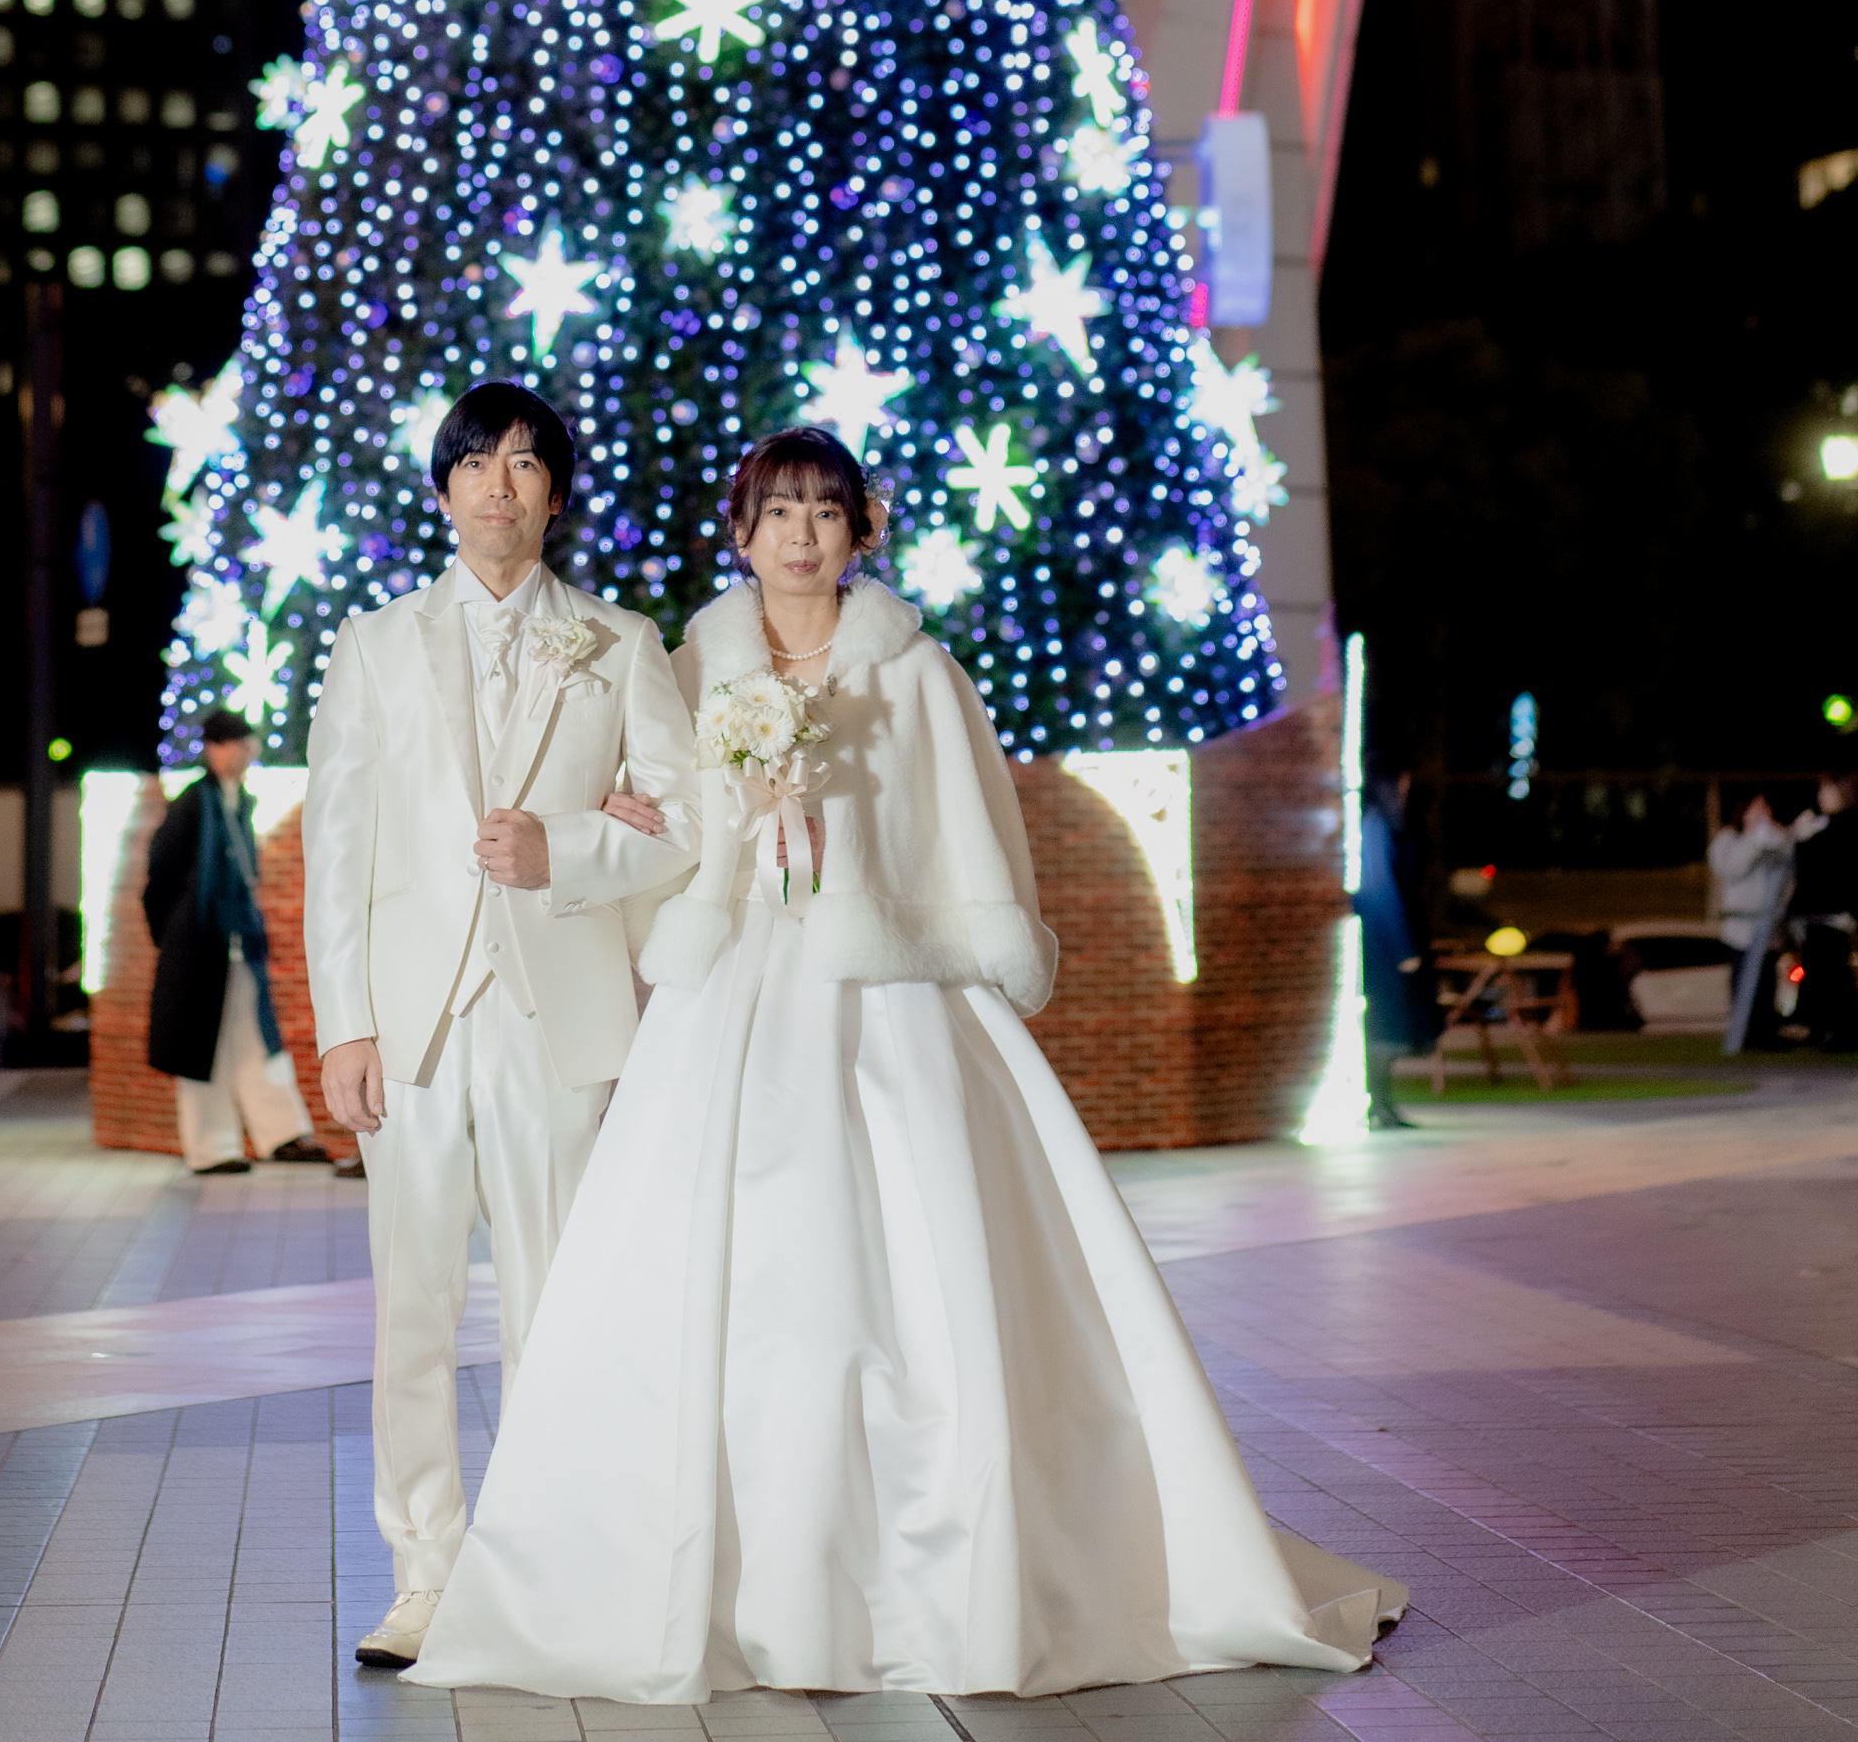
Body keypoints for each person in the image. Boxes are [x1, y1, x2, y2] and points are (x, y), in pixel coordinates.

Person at [414, 425, 1408, 1706]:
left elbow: (970, 826)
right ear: (741, 529)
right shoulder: (686, 665)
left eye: (826, 511)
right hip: (727, 995)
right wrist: (635, 826)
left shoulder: (918, 673)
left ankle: (954, 1574)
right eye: (778, 510)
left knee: (927, 1282)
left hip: (890, 995)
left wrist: (949, 924)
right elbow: (662, 818)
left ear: (860, 530)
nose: (802, 535)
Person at [302, 379, 699, 1674]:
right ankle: (424, 1578)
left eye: (525, 464)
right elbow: (339, 847)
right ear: (443, 488)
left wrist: (566, 849)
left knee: (556, 1310)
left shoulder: (620, 641)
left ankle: (549, 1573)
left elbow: (683, 823)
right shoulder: (372, 644)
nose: (498, 485)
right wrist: (344, 1023)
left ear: (555, 494)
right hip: (412, 1027)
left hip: (556, 1015)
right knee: (412, 1314)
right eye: (475, 462)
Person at [143, 705, 323, 1171]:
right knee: (204, 1044)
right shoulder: (191, 803)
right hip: (200, 946)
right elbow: (160, 876)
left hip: (237, 942)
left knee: (255, 1037)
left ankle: (281, 1134)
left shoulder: (238, 801)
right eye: (237, 746)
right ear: (214, 748)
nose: (243, 756)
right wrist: (174, 936)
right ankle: (210, 1148)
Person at [1356, 772, 1435, 1127]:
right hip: (1384, 944)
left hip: (1389, 938)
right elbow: (1380, 887)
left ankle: (1383, 1103)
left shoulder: (1386, 826)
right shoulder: (1375, 827)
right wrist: (1403, 946)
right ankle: (1379, 1103)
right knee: (1385, 1024)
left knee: (1389, 1026)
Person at [1710, 789, 1795, 1055]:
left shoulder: (1773, 839)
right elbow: (1731, 869)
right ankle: (1745, 1035)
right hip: (1741, 928)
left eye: (1766, 808)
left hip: (1767, 926)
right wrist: (1753, 841)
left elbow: (1786, 871)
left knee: (1767, 984)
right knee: (1745, 985)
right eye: (1756, 809)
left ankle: (1766, 1033)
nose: (1763, 815)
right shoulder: (1728, 840)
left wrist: (1779, 839)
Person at [1789, 767, 1857, 1053]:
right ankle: (1821, 1027)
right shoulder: (1817, 826)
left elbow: (1841, 869)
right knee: (1817, 972)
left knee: (1834, 974)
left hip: (1836, 913)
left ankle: (1840, 1031)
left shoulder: (1845, 827)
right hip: (1815, 914)